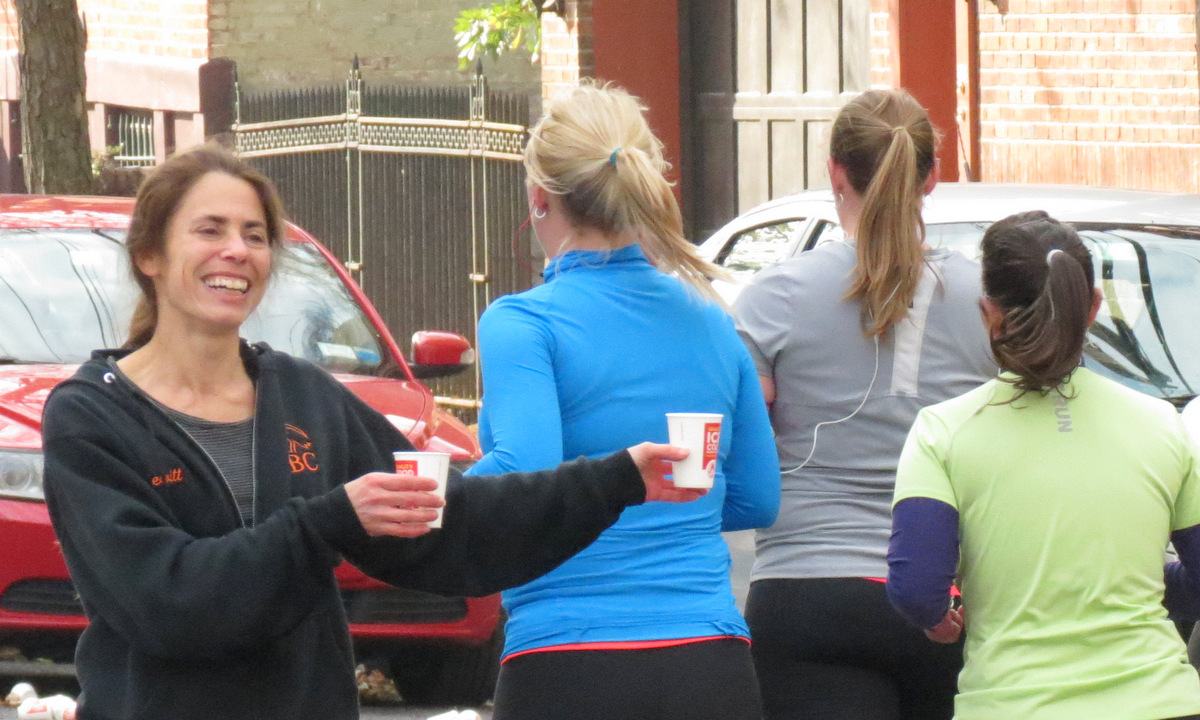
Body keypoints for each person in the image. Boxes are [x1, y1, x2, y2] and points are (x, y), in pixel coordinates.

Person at [40, 144, 707, 720]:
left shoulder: (302, 396)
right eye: (209, 230)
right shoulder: (92, 416)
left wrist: (615, 479)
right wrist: (326, 523)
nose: (236, 251)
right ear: (150, 254)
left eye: (255, 234)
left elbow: (454, 523)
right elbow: (166, 601)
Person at [463, 82, 781, 720]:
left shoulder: (524, 324)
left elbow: (524, 469)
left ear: (538, 197)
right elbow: (758, 497)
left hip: (565, 660)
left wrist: (427, 492)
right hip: (708, 661)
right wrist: (659, 516)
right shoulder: (712, 321)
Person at [732, 87, 997, 720]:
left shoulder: (775, 297)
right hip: (944, 598)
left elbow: (740, 446)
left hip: (806, 591)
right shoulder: (986, 302)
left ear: (835, 172)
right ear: (931, 177)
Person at [887, 211, 1200, 720]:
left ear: (988, 312)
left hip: (1014, 705)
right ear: (1092, 307)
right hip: (1163, 701)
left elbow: (918, 588)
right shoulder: (1162, 423)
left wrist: (938, 619)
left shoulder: (942, 431)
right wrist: (1140, 581)